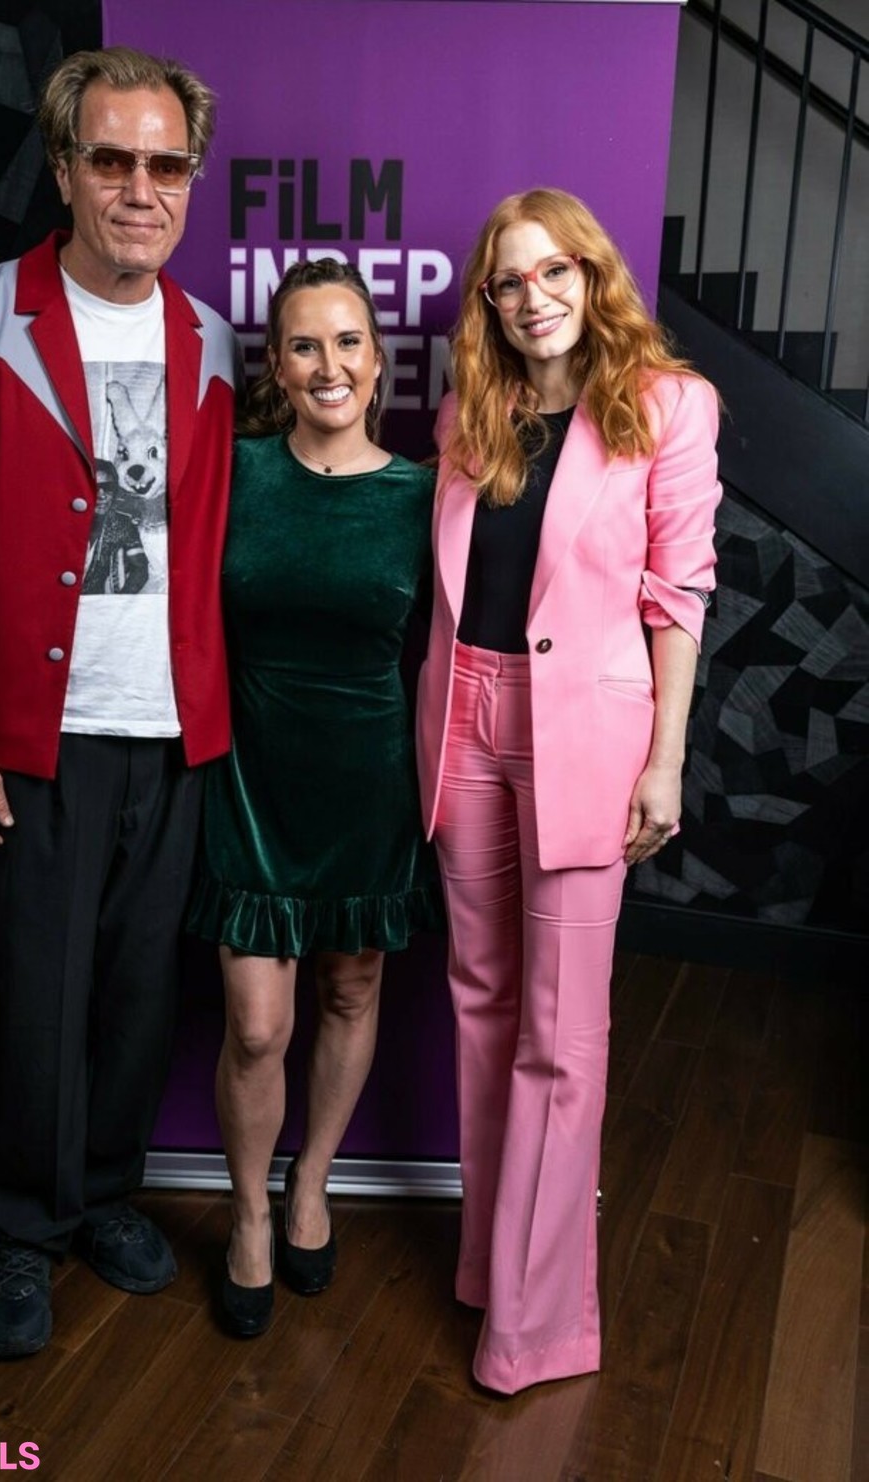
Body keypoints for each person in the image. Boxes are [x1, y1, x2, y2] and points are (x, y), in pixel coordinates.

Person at [0, 46, 240, 1360]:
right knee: (37, 994)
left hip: (174, 730)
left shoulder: (211, 339)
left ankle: (102, 1194)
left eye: (166, 164)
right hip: (33, 735)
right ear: (63, 167)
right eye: (112, 159)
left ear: (190, 180)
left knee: (141, 993)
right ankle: (24, 1226)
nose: (140, 189)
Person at [416, 189, 721, 1394]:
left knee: (562, 1036)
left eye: (555, 272)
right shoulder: (469, 413)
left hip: (586, 739)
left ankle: (535, 1328)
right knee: (483, 1002)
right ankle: (493, 1266)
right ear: (489, 302)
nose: (532, 297)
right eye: (509, 280)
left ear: (593, 277)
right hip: (467, 726)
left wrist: (667, 758)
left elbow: (678, 595)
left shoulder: (669, 404)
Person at [187, 258, 442, 1337]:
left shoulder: (424, 496)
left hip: (370, 784)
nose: (328, 364)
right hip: (252, 780)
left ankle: (310, 1185)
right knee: (257, 1028)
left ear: (379, 361)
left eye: (347, 342)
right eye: (304, 344)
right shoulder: (235, 472)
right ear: (276, 366)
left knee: (350, 989)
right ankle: (247, 1214)